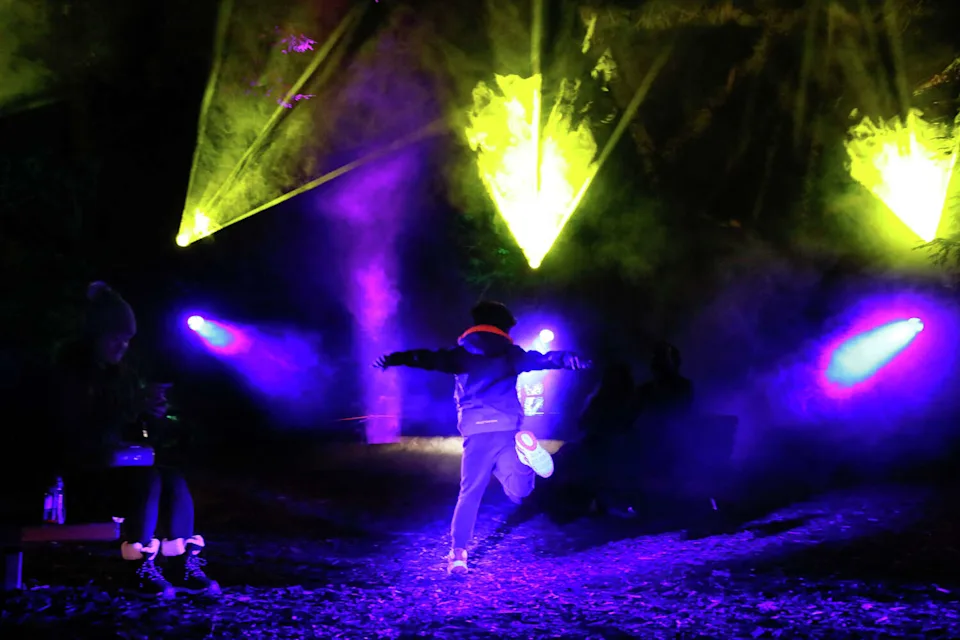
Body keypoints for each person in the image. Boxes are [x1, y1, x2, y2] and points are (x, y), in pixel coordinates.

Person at [374, 301, 590, 575]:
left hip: (477, 433)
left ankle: (458, 554)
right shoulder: (511, 354)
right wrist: (568, 359)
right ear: (503, 327)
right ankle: (527, 457)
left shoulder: (461, 355)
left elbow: (427, 358)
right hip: (508, 429)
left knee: (470, 493)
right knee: (520, 491)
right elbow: (541, 359)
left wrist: (394, 358)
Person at [44, 282, 219, 598]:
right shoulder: (69, 374)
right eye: (114, 339)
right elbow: (75, 432)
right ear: (93, 336)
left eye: (126, 341)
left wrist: (154, 415)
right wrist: (131, 409)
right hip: (76, 480)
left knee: (172, 477)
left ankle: (180, 562)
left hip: (113, 469)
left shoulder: (121, 376)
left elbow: (127, 427)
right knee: (147, 478)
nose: (121, 347)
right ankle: (136, 566)